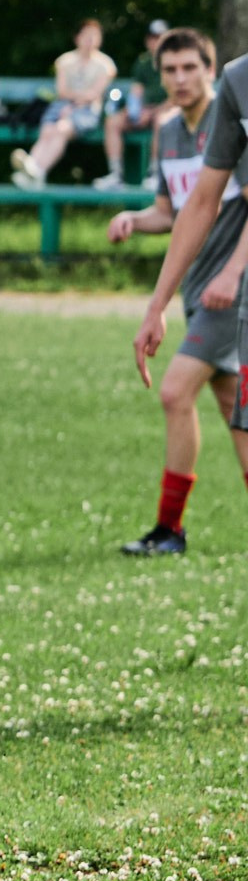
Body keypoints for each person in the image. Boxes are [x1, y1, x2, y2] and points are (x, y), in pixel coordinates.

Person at [108, 31, 247, 556]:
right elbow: (176, 211)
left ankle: (169, 529)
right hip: (199, 291)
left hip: (229, 292)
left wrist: (233, 272)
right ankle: (170, 530)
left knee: (174, 391)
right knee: (235, 407)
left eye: (191, 68)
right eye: (170, 70)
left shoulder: (232, 118)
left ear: (212, 70)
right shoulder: (168, 133)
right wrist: (134, 221)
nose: (181, 79)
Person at [11, 19, 116, 190]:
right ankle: (33, 170)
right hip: (62, 107)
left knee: (60, 129)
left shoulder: (106, 65)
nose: (89, 39)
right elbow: (62, 91)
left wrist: (72, 104)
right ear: (77, 38)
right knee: (47, 131)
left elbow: (94, 94)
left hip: (87, 111)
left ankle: (36, 171)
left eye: (94, 35)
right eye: (85, 35)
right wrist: (72, 101)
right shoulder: (65, 61)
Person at [100, 20, 174, 190]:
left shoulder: (173, 61)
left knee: (161, 121)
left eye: (160, 37)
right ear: (147, 40)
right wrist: (133, 111)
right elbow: (136, 92)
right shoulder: (143, 62)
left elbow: (177, 97)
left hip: (166, 111)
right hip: (145, 112)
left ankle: (155, 173)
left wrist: (154, 111)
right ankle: (115, 174)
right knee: (112, 121)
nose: (156, 42)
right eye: (153, 37)